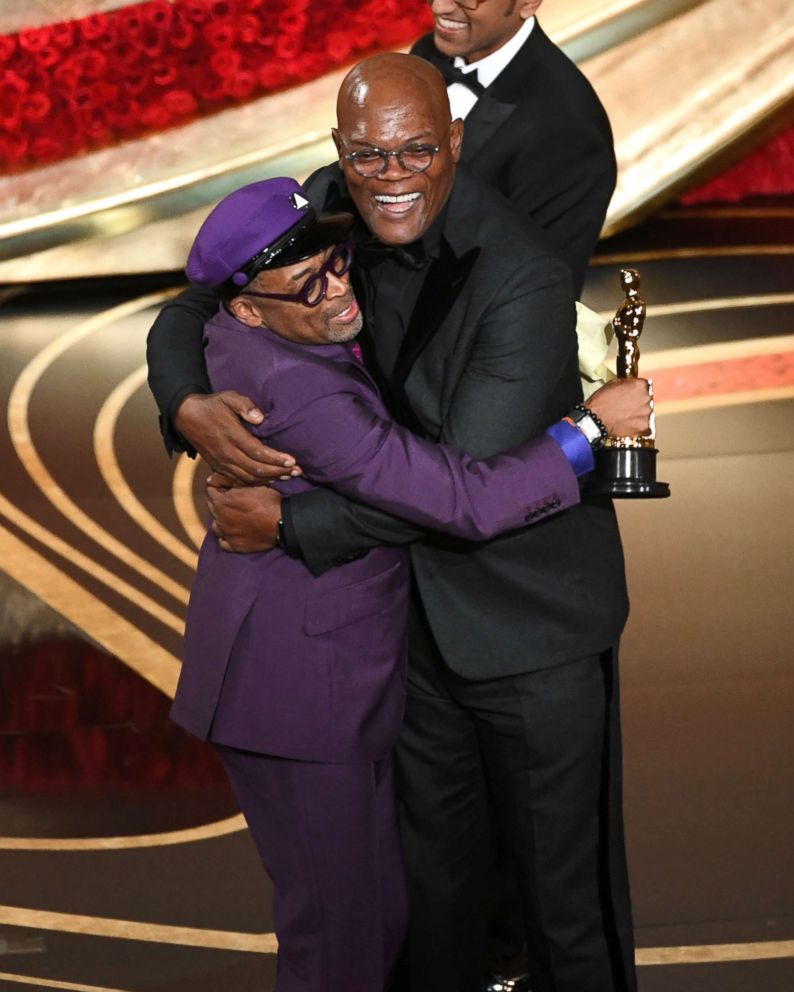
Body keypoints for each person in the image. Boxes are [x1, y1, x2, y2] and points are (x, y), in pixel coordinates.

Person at [147, 54, 638, 992]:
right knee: (423, 911)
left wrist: (296, 527)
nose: (391, 177)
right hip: (401, 641)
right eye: (370, 157)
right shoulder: (333, 204)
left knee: (566, 912)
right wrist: (186, 404)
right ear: (342, 152)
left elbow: (470, 486)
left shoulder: (521, 276)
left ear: (453, 143)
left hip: (527, 627)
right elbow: (197, 300)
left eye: (416, 150)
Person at [413, 0, 617, 298]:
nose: (440, 7)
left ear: (528, 3)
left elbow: (533, 295)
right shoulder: (427, 53)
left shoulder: (569, 130)